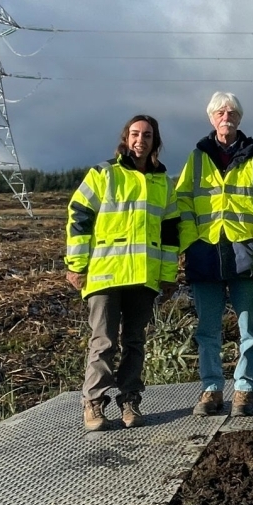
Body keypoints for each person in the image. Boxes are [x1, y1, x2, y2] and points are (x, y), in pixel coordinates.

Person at [65, 114, 180, 431]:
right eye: (135, 134)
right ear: (125, 138)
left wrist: (168, 275)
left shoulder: (163, 183)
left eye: (147, 135)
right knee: (103, 342)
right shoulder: (105, 173)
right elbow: (78, 215)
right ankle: (94, 403)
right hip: (105, 275)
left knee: (134, 342)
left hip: (143, 278)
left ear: (155, 141)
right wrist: (76, 265)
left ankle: (130, 400)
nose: (140, 140)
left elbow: (170, 234)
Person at [177, 92, 253, 417]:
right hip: (206, 254)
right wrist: (191, 241)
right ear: (211, 118)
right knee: (207, 330)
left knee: (250, 328)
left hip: (246, 253)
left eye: (232, 112)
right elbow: (184, 201)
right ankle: (211, 390)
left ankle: (245, 390)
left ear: (240, 118)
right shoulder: (197, 156)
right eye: (220, 112)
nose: (226, 116)